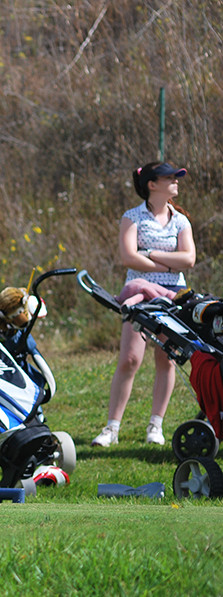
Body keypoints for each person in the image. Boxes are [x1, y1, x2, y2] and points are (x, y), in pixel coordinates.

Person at [91, 161, 196, 447]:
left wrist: (148, 252)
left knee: (167, 358)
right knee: (130, 359)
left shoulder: (181, 221)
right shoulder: (132, 217)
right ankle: (112, 428)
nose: (176, 181)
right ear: (152, 184)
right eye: (170, 178)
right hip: (139, 296)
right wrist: (166, 259)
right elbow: (128, 257)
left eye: (176, 177)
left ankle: (156, 426)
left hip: (173, 295)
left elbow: (188, 259)